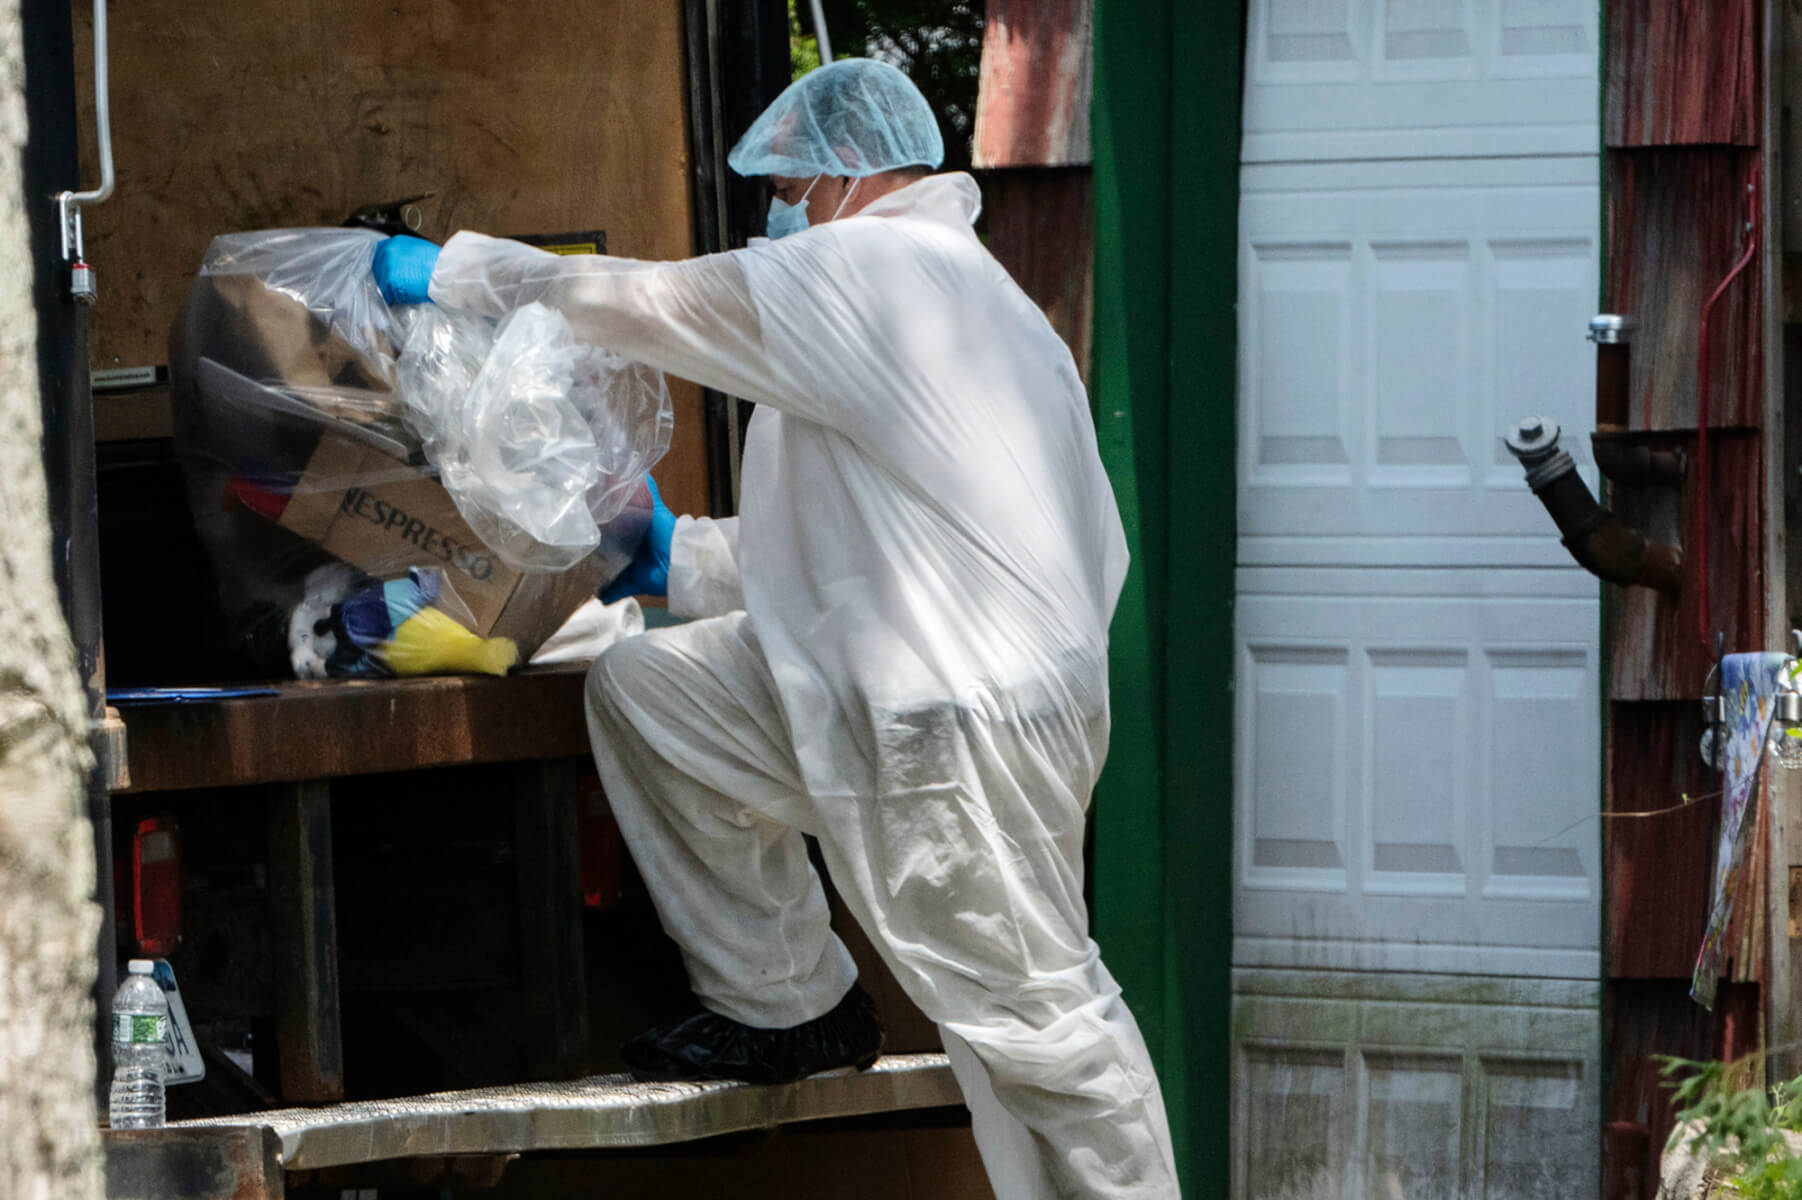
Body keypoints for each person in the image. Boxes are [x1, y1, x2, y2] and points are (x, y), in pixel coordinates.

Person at [373, 57, 1179, 1200]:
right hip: (906, 677)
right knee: (653, 692)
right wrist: (680, 556)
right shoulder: (951, 300)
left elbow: (644, 303)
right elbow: (876, 534)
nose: (775, 207)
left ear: (852, 176)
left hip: (952, 713)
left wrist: (451, 272)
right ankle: (787, 1003)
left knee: (1040, 1022)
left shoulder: (872, 268)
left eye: (786, 181)